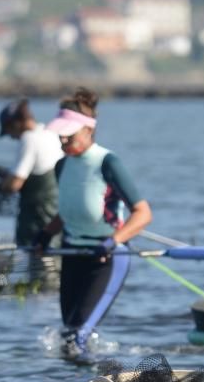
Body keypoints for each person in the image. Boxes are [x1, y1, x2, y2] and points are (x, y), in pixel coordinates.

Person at [33, 88, 153, 355]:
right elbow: (68, 212)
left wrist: (114, 241)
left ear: (88, 131)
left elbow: (143, 213)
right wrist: (44, 234)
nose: (63, 140)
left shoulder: (107, 162)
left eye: (69, 134)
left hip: (106, 258)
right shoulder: (62, 166)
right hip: (72, 253)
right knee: (67, 334)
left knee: (78, 336)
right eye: (60, 135)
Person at [0, 97, 64, 248]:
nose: (12, 137)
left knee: (39, 269)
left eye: (9, 132)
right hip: (56, 226)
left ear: (15, 123)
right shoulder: (50, 133)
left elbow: (14, 184)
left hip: (37, 227)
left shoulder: (29, 139)